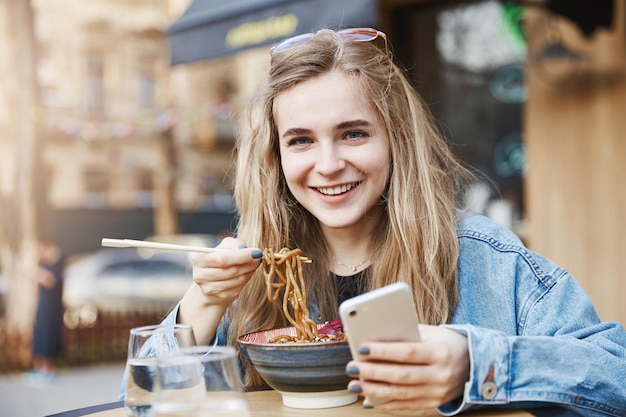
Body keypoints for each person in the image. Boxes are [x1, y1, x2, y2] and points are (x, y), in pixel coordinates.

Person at [157, 28, 625, 414]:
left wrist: (473, 363)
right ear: (276, 157)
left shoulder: (483, 257)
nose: (329, 163)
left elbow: (614, 373)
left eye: (354, 133)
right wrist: (201, 302)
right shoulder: (248, 276)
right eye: (300, 140)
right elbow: (138, 402)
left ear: (395, 139)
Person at [23, 239, 65, 387]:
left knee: (49, 336)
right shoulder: (44, 264)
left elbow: (51, 281)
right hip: (43, 307)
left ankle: (48, 369)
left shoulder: (57, 263)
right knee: (40, 335)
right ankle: (40, 368)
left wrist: (36, 272)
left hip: (52, 309)